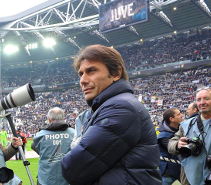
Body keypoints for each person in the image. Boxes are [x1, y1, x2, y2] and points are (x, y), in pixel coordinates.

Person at [61, 45, 161, 185]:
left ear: (116, 73)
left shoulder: (120, 108)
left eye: (91, 71)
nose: (82, 81)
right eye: (81, 74)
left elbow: (72, 168)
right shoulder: (109, 106)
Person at [168, 87, 211, 185]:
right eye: (199, 99)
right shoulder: (187, 125)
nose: (202, 102)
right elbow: (171, 144)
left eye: (206, 98)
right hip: (191, 179)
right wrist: (177, 144)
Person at [31, 107, 74, 185]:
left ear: (49, 119)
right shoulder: (73, 133)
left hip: (46, 179)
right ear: (63, 118)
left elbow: (35, 147)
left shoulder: (40, 135)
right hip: (68, 179)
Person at [158, 108, 183, 185]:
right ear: (171, 119)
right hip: (168, 171)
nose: (182, 115)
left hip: (180, 169)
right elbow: (177, 150)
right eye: (178, 114)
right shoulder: (164, 136)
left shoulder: (180, 129)